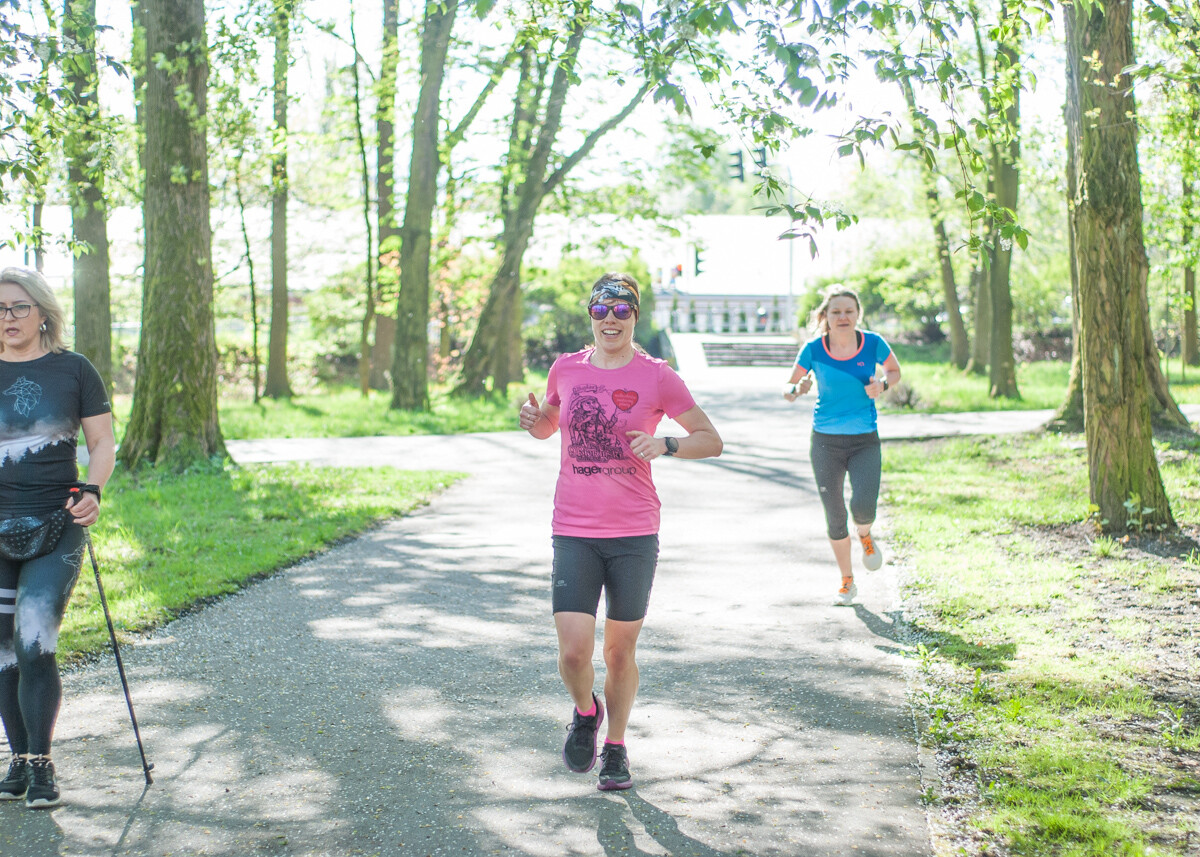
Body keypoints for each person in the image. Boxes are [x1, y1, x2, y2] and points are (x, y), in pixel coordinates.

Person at [519, 272, 722, 791]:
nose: (611, 319)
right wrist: (533, 420)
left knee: (618, 652)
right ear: (590, 315)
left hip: (633, 533)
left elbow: (710, 439)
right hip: (574, 529)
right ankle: (587, 712)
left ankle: (616, 748)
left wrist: (668, 445)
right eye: (601, 310)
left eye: (622, 311)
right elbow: (549, 425)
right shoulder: (565, 368)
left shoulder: (658, 376)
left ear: (635, 317)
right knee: (572, 652)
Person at [0, 267, 114, 808]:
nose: (8, 318)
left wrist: (92, 488)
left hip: (56, 522)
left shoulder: (74, 370)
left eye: (18, 307)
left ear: (43, 311)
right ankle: (18, 761)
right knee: (2, 651)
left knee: (34, 642)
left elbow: (103, 441)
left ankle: (42, 764)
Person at [783, 286, 900, 605]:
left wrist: (883, 384)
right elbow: (789, 387)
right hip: (825, 442)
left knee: (863, 506)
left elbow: (893, 370)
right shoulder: (814, 349)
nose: (843, 317)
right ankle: (847, 581)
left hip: (865, 439)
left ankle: (865, 535)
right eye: (836, 312)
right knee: (834, 515)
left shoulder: (873, 343)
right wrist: (799, 387)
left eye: (849, 311)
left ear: (858, 314)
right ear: (826, 317)